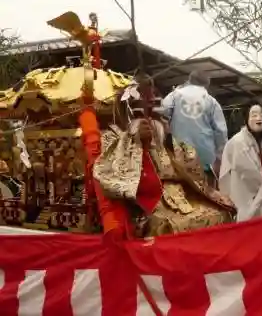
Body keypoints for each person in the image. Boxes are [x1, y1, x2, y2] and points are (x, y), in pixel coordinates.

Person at [79, 78, 234, 241]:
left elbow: (188, 160)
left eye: (152, 109)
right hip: (147, 202)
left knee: (221, 214)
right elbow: (109, 170)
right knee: (172, 226)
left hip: (181, 194)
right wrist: (136, 141)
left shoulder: (163, 135)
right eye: (141, 109)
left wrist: (171, 144)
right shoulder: (114, 136)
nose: (149, 116)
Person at [161, 70, 227, 186]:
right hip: (205, 159)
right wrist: (220, 158)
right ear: (207, 84)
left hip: (179, 155)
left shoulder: (175, 95)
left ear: (189, 80)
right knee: (207, 196)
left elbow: (163, 112)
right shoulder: (211, 101)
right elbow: (221, 132)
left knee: (182, 195)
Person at [219, 100, 262, 222]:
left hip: (260, 199)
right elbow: (248, 173)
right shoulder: (238, 142)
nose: (258, 118)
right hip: (244, 196)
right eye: (254, 115)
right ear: (246, 119)